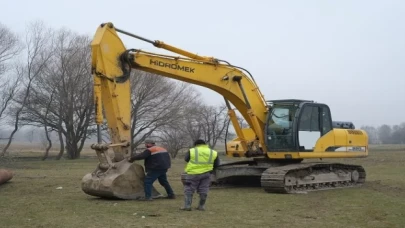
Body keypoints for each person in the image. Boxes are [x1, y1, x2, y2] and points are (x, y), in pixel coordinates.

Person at [180, 139, 220, 211]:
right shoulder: (213, 152)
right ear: (204, 144)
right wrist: (211, 170)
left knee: (189, 189)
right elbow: (217, 164)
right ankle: (201, 206)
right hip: (206, 174)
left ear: (196, 144)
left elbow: (186, 159)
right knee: (203, 189)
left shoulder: (192, 150)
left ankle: (187, 206)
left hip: (193, 173)